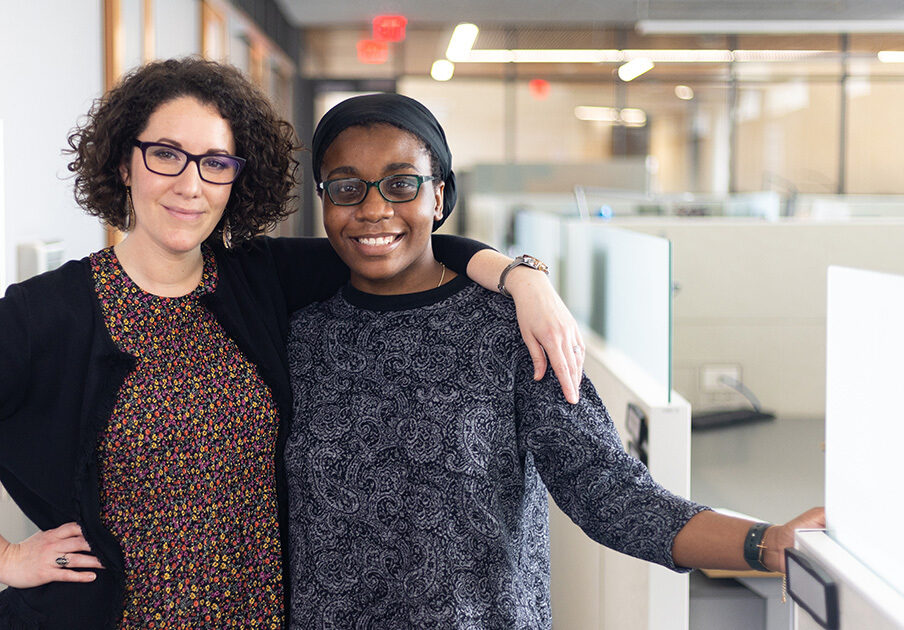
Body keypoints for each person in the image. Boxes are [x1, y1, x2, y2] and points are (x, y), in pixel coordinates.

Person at [0, 58, 585, 629]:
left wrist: (521, 277)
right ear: (124, 164)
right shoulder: (48, 314)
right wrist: (0, 556)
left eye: (215, 162)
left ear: (236, 181)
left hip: (257, 614)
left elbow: (393, 234)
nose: (190, 183)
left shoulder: (257, 280)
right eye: (166, 155)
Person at [284, 92, 826, 628]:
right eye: (347, 188)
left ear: (440, 196)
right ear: (324, 200)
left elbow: (608, 490)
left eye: (402, 183)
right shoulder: (298, 337)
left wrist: (763, 543)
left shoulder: (513, 329)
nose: (374, 208)